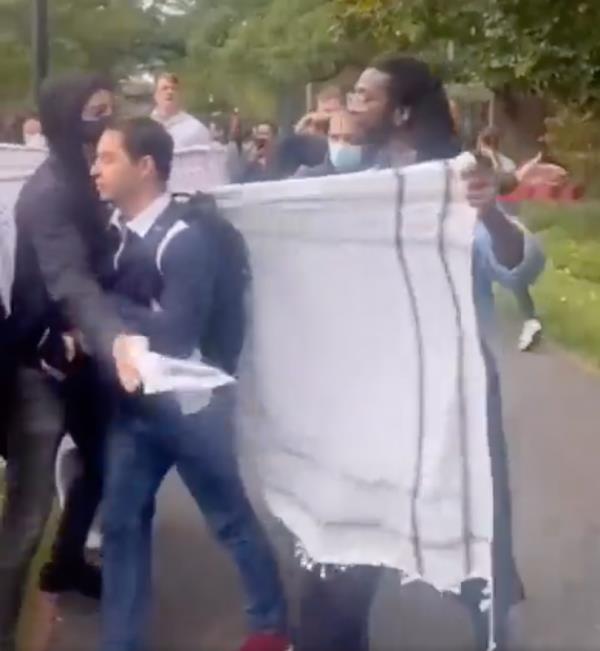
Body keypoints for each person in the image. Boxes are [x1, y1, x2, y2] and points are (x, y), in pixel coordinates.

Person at [294, 56, 545, 651]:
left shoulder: (457, 182)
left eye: (363, 96)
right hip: (369, 397)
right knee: (344, 545)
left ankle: (490, 627)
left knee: (471, 541)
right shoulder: (358, 179)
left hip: (448, 398)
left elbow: (518, 267)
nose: (349, 105)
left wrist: (489, 213)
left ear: (401, 111)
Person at [91, 117, 290, 651]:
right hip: (137, 405)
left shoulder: (186, 239)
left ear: (146, 166)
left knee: (229, 521)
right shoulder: (117, 232)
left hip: (192, 410)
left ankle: (271, 629)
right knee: (122, 524)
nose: (96, 168)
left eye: (108, 158)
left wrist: (105, 308)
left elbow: (177, 336)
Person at [1, 73, 140, 651]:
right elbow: (69, 281)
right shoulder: (50, 193)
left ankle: (66, 564)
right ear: (62, 119)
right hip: (40, 368)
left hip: (80, 360)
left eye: (109, 113)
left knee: (104, 465)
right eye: (92, 114)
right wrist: (114, 336)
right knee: (28, 513)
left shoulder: (87, 178)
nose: (102, 127)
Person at [477, 126, 542, 351]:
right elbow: (514, 182)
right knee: (514, 276)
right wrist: (531, 166)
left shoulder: (476, 162)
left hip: (487, 225)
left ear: (481, 141)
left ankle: (483, 325)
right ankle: (530, 318)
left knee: (479, 270)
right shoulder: (507, 163)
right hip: (510, 225)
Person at [296, 108, 364, 177]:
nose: (341, 144)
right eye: (334, 138)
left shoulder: (373, 173)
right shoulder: (308, 176)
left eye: (349, 139)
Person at [151, 72, 211, 149]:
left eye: (174, 89)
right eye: (164, 88)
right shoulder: (144, 128)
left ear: (180, 95)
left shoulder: (196, 129)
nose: (170, 92)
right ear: (155, 95)